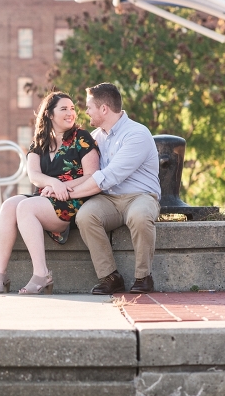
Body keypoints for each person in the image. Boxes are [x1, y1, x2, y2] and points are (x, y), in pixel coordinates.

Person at [0, 91, 100, 295]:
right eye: (64, 109)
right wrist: (53, 183)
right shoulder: (40, 141)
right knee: (8, 206)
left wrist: (63, 187)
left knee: (25, 207)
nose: (70, 113)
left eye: (72, 108)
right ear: (49, 114)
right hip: (46, 197)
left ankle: (42, 274)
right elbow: (33, 175)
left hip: (72, 199)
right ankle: (0, 275)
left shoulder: (81, 138)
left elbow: (93, 175)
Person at [65, 82, 161, 294]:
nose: (86, 111)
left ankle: (144, 277)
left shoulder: (137, 134)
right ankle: (110, 277)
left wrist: (68, 195)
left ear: (104, 109)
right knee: (85, 216)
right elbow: (85, 173)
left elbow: (110, 176)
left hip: (140, 196)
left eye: (89, 107)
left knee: (140, 215)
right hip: (109, 200)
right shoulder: (97, 137)